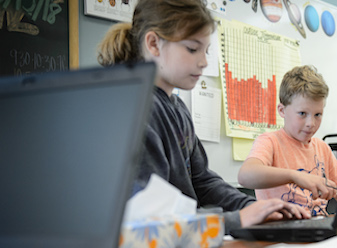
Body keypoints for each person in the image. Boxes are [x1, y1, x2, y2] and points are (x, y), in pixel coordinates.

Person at [97, 0, 310, 233]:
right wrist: (237, 220)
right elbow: (151, 216)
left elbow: (203, 182)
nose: (204, 61)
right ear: (154, 44)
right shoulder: (137, 107)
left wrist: (257, 208)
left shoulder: (176, 107)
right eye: (192, 49)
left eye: (206, 50)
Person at [237, 65, 337, 216]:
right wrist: (296, 176)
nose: (311, 123)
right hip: (283, 228)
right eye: (302, 113)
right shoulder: (270, 142)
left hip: (319, 226)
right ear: (282, 110)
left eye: (318, 114)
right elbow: (245, 176)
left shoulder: (322, 148)